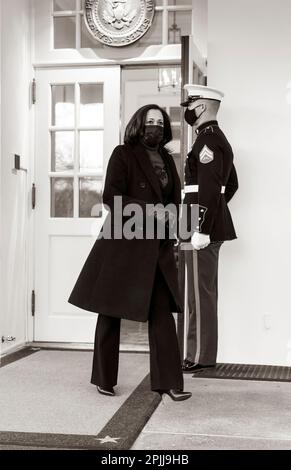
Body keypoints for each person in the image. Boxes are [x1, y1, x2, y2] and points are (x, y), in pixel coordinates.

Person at [68, 104, 191, 401]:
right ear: (139, 124)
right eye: (149, 122)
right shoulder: (123, 153)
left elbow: (175, 199)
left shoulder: (166, 158)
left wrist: (177, 224)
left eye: (160, 123)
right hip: (124, 242)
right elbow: (112, 196)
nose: (155, 127)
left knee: (162, 313)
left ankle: (170, 383)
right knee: (111, 312)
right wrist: (153, 212)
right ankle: (104, 378)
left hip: (157, 246)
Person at [180, 84, 238, 373]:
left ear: (200, 107)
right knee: (201, 293)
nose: (188, 110)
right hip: (203, 223)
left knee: (199, 295)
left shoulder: (208, 141)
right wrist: (213, 212)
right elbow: (231, 186)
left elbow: (211, 187)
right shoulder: (215, 139)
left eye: (190, 105)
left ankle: (200, 356)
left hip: (199, 226)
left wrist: (202, 226)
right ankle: (199, 353)